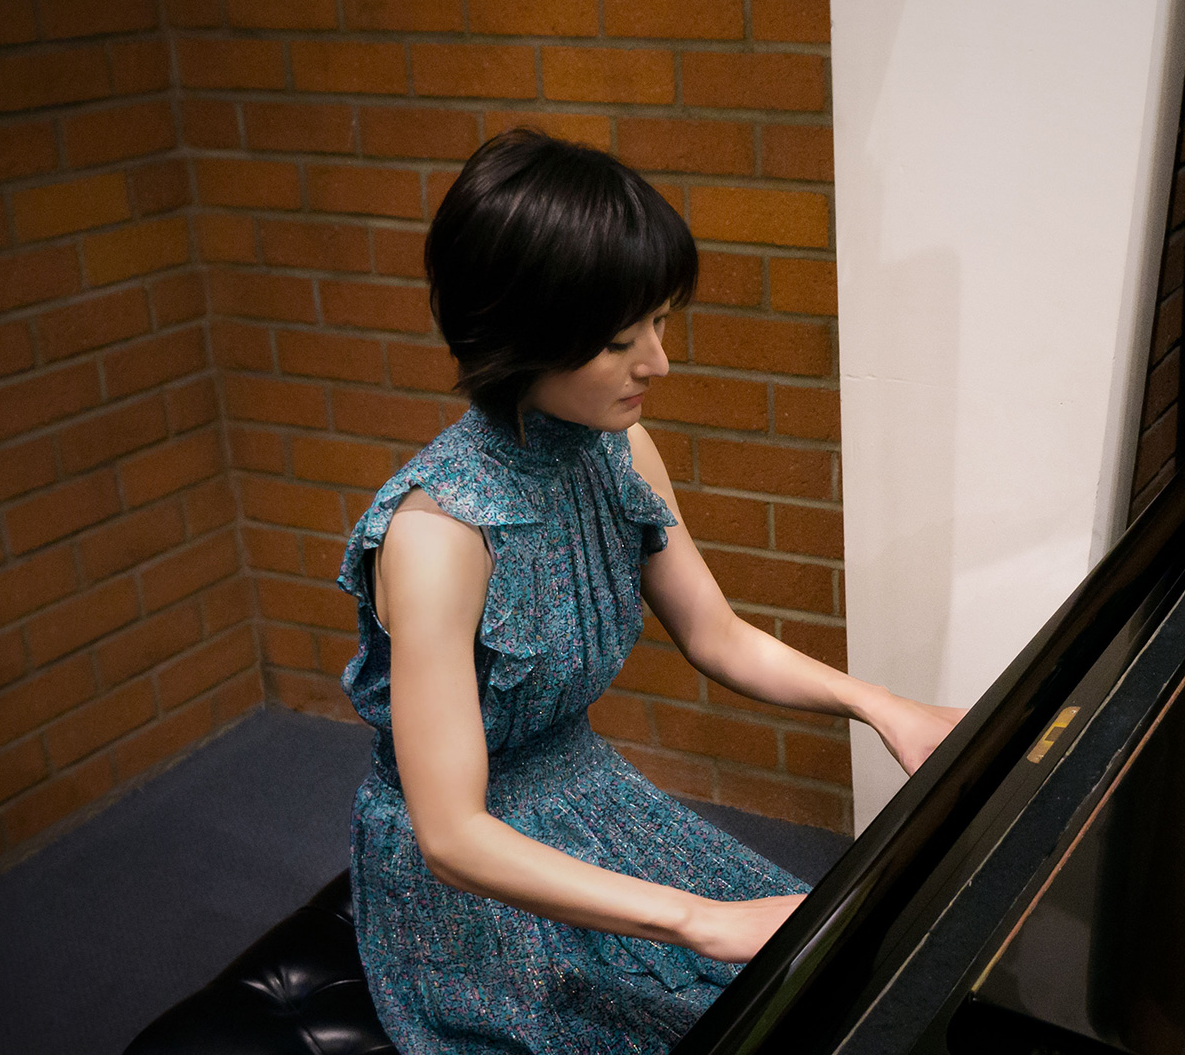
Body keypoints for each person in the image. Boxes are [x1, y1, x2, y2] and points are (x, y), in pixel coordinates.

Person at [337, 129, 965, 1053]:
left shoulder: (616, 449)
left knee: (827, 979)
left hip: (587, 794)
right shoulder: (438, 537)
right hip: (468, 890)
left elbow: (719, 636)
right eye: (618, 341)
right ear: (519, 338)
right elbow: (454, 837)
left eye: (661, 323)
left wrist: (879, 705)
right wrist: (698, 921)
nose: (659, 365)